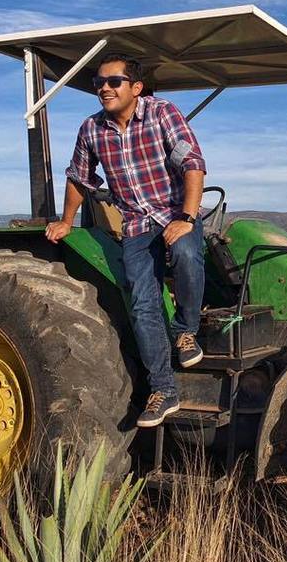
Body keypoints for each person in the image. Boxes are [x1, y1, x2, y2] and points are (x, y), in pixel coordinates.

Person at [45, 53, 207, 428]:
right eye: (98, 82)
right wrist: (66, 221)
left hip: (174, 213)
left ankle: (186, 331)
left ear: (135, 88)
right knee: (142, 305)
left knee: (185, 252)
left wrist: (186, 217)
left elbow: (193, 164)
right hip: (135, 225)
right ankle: (163, 391)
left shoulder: (162, 113)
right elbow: (79, 178)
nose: (104, 87)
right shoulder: (91, 129)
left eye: (113, 81)